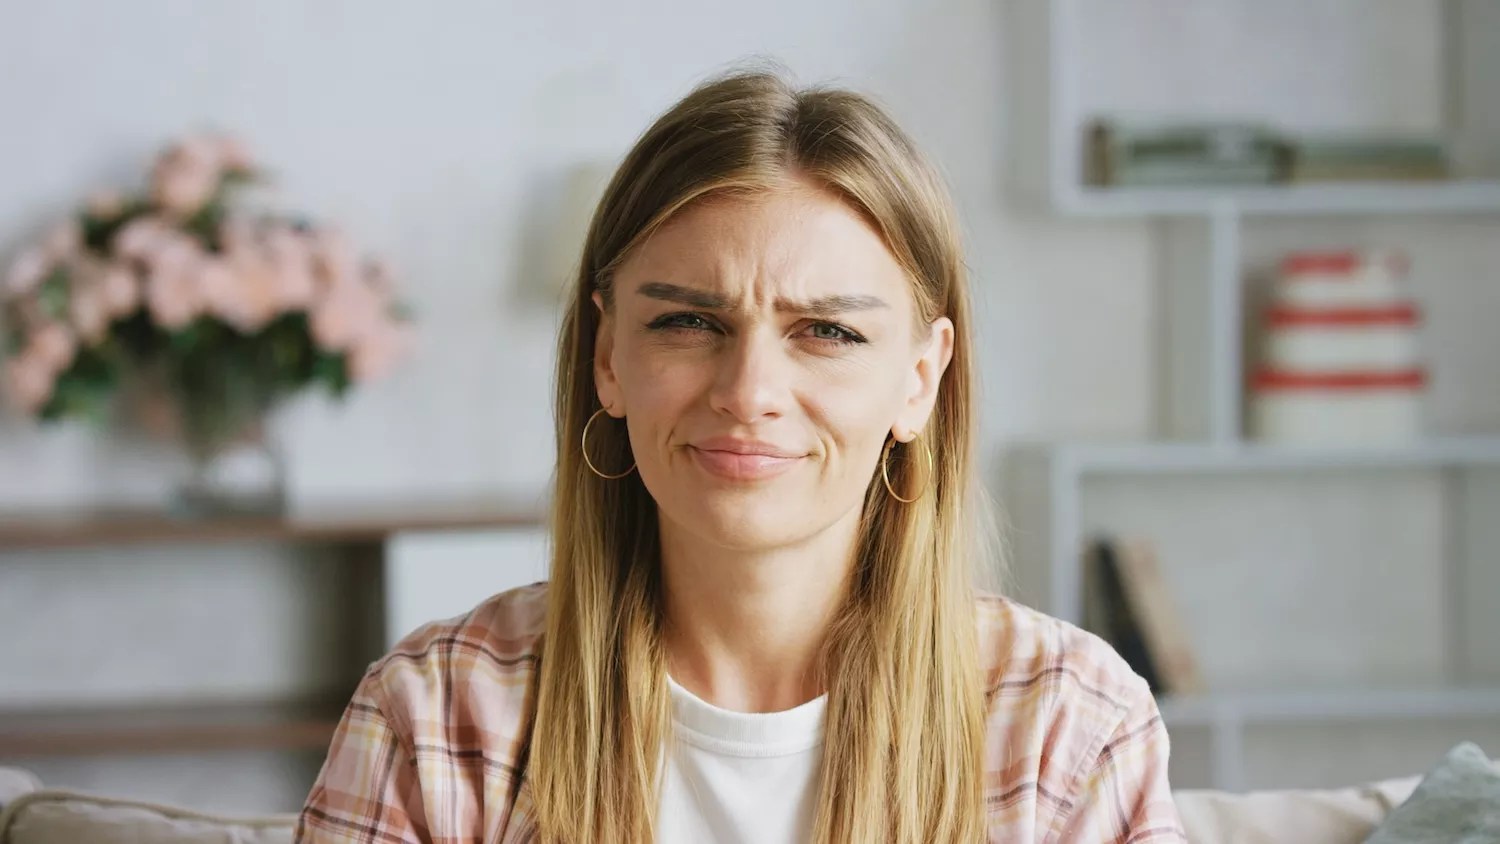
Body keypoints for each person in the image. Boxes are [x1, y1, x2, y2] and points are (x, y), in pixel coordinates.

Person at [296, 69, 1184, 843]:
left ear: (920, 380)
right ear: (609, 358)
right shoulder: (436, 718)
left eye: (827, 332)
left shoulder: (1069, 724)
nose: (747, 390)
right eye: (688, 322)